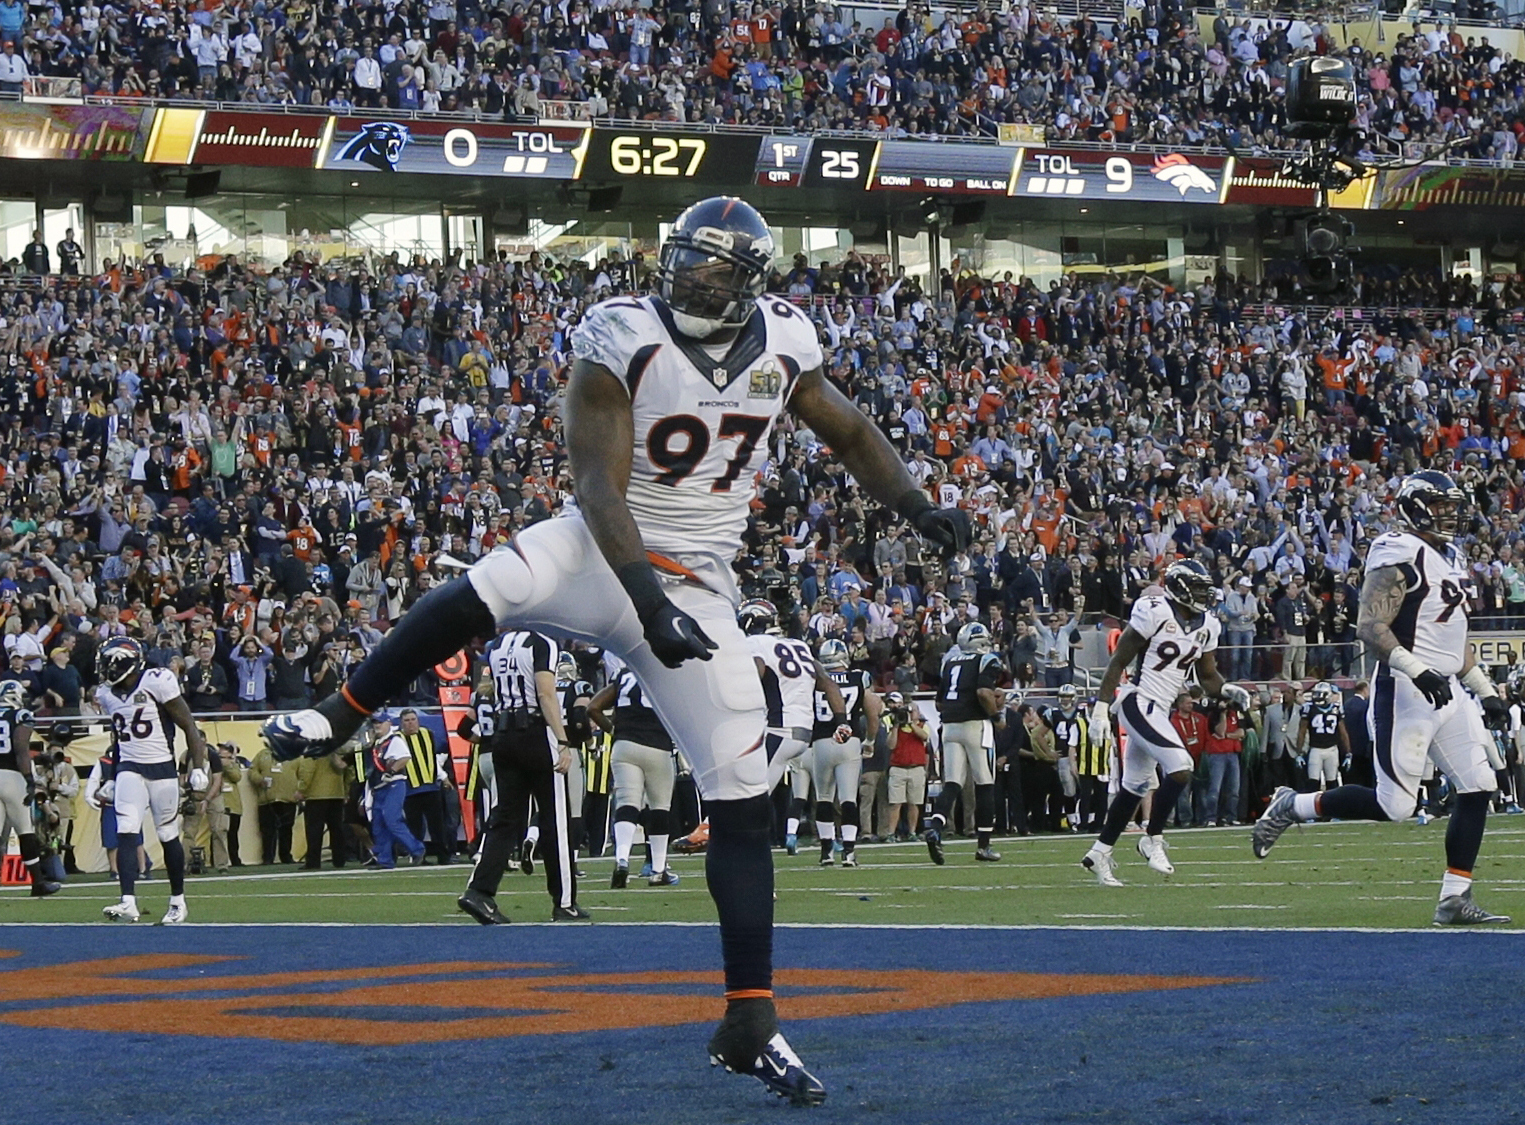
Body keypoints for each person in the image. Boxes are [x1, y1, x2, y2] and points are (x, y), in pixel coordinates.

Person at [263, 195, 969, 1105]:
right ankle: (339, 711)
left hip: (698, 578)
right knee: (486, 586)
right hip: (604, 552)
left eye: (713, 266)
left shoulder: (786, 342)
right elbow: (597, 483)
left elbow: (854, 431)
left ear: (750, 280)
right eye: (685, 258)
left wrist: (916, 505)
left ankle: (749, 1016)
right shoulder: (623, 331)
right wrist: (646, 600)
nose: (690, 277)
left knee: (741, 793)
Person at [1252, 471, 1512, 925]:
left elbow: (1452, 639)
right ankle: (1295, 805)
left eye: (1453, 506)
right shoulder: (1398, 550)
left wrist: (1486, 691)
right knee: (1396, 806)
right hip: (1406, 687)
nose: (1451, 515)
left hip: (1446, 688)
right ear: (1416, 508)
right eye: (1441, 506)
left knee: (1479, 785)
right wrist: (1416, 669)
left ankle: (1454, 898)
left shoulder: (1450, 556)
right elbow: (1370, 627)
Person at [1081, 560, 1252, 886]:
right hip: (1137, 700)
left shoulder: (1207, 625)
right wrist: (1101, 709)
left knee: (1135, 785)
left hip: (1159, 709)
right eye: (1197, 588)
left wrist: (1227, 689)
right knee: (1181, 766)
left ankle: (1099, 853)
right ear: (1179, 588)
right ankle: (1152, 838)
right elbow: (1119, 660)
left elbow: (1207, 676)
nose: (1203, 594)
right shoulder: (1155, 611)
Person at [457, 630, 584, 922]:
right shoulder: (543, 642)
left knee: (503, 819)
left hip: (503, 734)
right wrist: (562, 740)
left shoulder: (498, 645)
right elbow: (545, 693)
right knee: (556, 820)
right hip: (536, 733)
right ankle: (564, 901)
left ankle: (479, 891)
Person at [95, 636, 209, 924]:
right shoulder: (107, 694)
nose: (104, 669)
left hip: (161, 768)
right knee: (126, 830)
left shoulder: (156, 681)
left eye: (108, 662)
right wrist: (113, 775)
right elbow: (119, 739)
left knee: (167, 834)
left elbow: (189, 725)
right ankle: (128, 902)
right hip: (129, 767)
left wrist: (198, 766)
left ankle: (178, 901)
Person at [739, 597, 844, 854]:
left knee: (746, 794)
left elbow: (754, 675)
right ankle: (750, 847)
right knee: (757, 794)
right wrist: (842, 721)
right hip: (802, 733)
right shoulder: (798, 645)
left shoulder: (756, 643)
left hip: (779, 729)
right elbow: (828, 683)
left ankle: (723, 837)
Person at [589, 664, 679, 887]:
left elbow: (593, 708)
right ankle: (658, 869)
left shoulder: (625, 674)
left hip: (624, 746)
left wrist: (614, 730)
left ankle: (622, 859)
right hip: (658, 746)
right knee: (660, 808)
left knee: (627, 803)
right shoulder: (667, 673)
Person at [926, 622, 1006, 863]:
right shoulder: (986, 660)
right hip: (975, 725)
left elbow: (939, 703)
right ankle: (983, 846)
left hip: (949, 725)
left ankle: (935, 827)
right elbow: (983, 692)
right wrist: (996, 715)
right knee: (985, 783)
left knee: (952, 783)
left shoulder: (950, 662)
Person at [809, 638, 878, 868]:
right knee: (848, 798)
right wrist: (870, 740)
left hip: (821, 741)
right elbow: (872, 712)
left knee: (824, 797)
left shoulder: (815, 679)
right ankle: (848, 851)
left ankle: (826, 851)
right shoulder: (859, 677)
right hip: (849, 740)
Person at [0, 680, 60, 895]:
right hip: (12, 777)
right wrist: (29, 778)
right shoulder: (20, 715)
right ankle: (38, 883)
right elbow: (20, 749)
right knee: (25, 831)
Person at [365, 712, 426, 869]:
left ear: (389, 723)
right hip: (379, 787)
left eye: (380, 722)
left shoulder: (394, 740)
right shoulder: (377, 743)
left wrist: (391, 771)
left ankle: (416, 849)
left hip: (393, 784)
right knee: (379, 824)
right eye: (375, 723)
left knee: (392, 819)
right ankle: (385, 859)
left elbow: (404, 757)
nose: (377, 726)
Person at [397, 708, 450, 864]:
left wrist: (443, 777)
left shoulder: (428, 734)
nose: (411, 723)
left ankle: (443, 856)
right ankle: (418, 856)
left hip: (431, 787)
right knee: (415, 826)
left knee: (437, 825)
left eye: (413, 720)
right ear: (401, 723)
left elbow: (436, 757)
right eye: (407, 721)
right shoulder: (397, 739)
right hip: (409, 790)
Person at [296, 746, 351, 868]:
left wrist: (302, 789)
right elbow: (349, 770)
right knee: (337, 829)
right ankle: (339, 859)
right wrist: (345, 790)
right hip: (337, 794)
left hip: (316, 795)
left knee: (314, 830)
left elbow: (308, 770)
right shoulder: (339, 748)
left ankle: (313, 861)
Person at [884, 693, 929, 839]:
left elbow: (924, 737)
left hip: (916, 768)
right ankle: (891, 833)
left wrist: (911, 724)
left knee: (914, 803)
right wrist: (896, 725)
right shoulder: (895, 728)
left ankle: (912, 832)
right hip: (898, 768)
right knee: (895, 803)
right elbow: (891, 745)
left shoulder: (922, 726)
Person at [248, 740, 298, 863]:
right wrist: (259, 780)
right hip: (267, 799)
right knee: (267, 830)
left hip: (288, 799)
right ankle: (267, 857)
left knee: (286, 830)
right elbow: (252, 771)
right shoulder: (262, 754)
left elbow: (303, 773)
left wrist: (300, 790)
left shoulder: (295, 755)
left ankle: (286, 856)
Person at [1296, 682, 1348, 793]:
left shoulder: (1336, 708)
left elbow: (1343, 733)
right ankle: (1313, 804)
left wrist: (1348, 753)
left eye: (1320, 694)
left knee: (1332, 782)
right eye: (1316, 694)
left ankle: (1331, 803)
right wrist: (1299, 753)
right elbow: (1302, 732)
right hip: (1316, 749)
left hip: (1332, 749)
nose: (1317, 697)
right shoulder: (1308, 708)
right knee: (1313, 783)